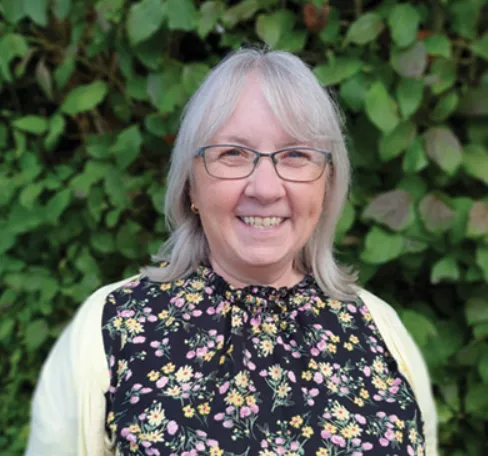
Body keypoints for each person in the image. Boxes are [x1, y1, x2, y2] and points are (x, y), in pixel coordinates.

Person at [26, 48, 438, 456]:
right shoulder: (109, 328)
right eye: (233, 154)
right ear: (191, 185)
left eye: (295, 155)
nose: (265, 189)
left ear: (326, 185)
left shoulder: (379, 327)